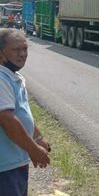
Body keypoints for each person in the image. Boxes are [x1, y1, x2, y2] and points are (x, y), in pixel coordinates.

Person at [0, 28, 51, 195]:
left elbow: (23, 112)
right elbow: (7, 119)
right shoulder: (1, 78)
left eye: (25, 48)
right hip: (4, 167)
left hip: (16, 161)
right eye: (16, 49)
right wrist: (33, 149)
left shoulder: (14, 77)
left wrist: (38, 137)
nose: (22, 54)